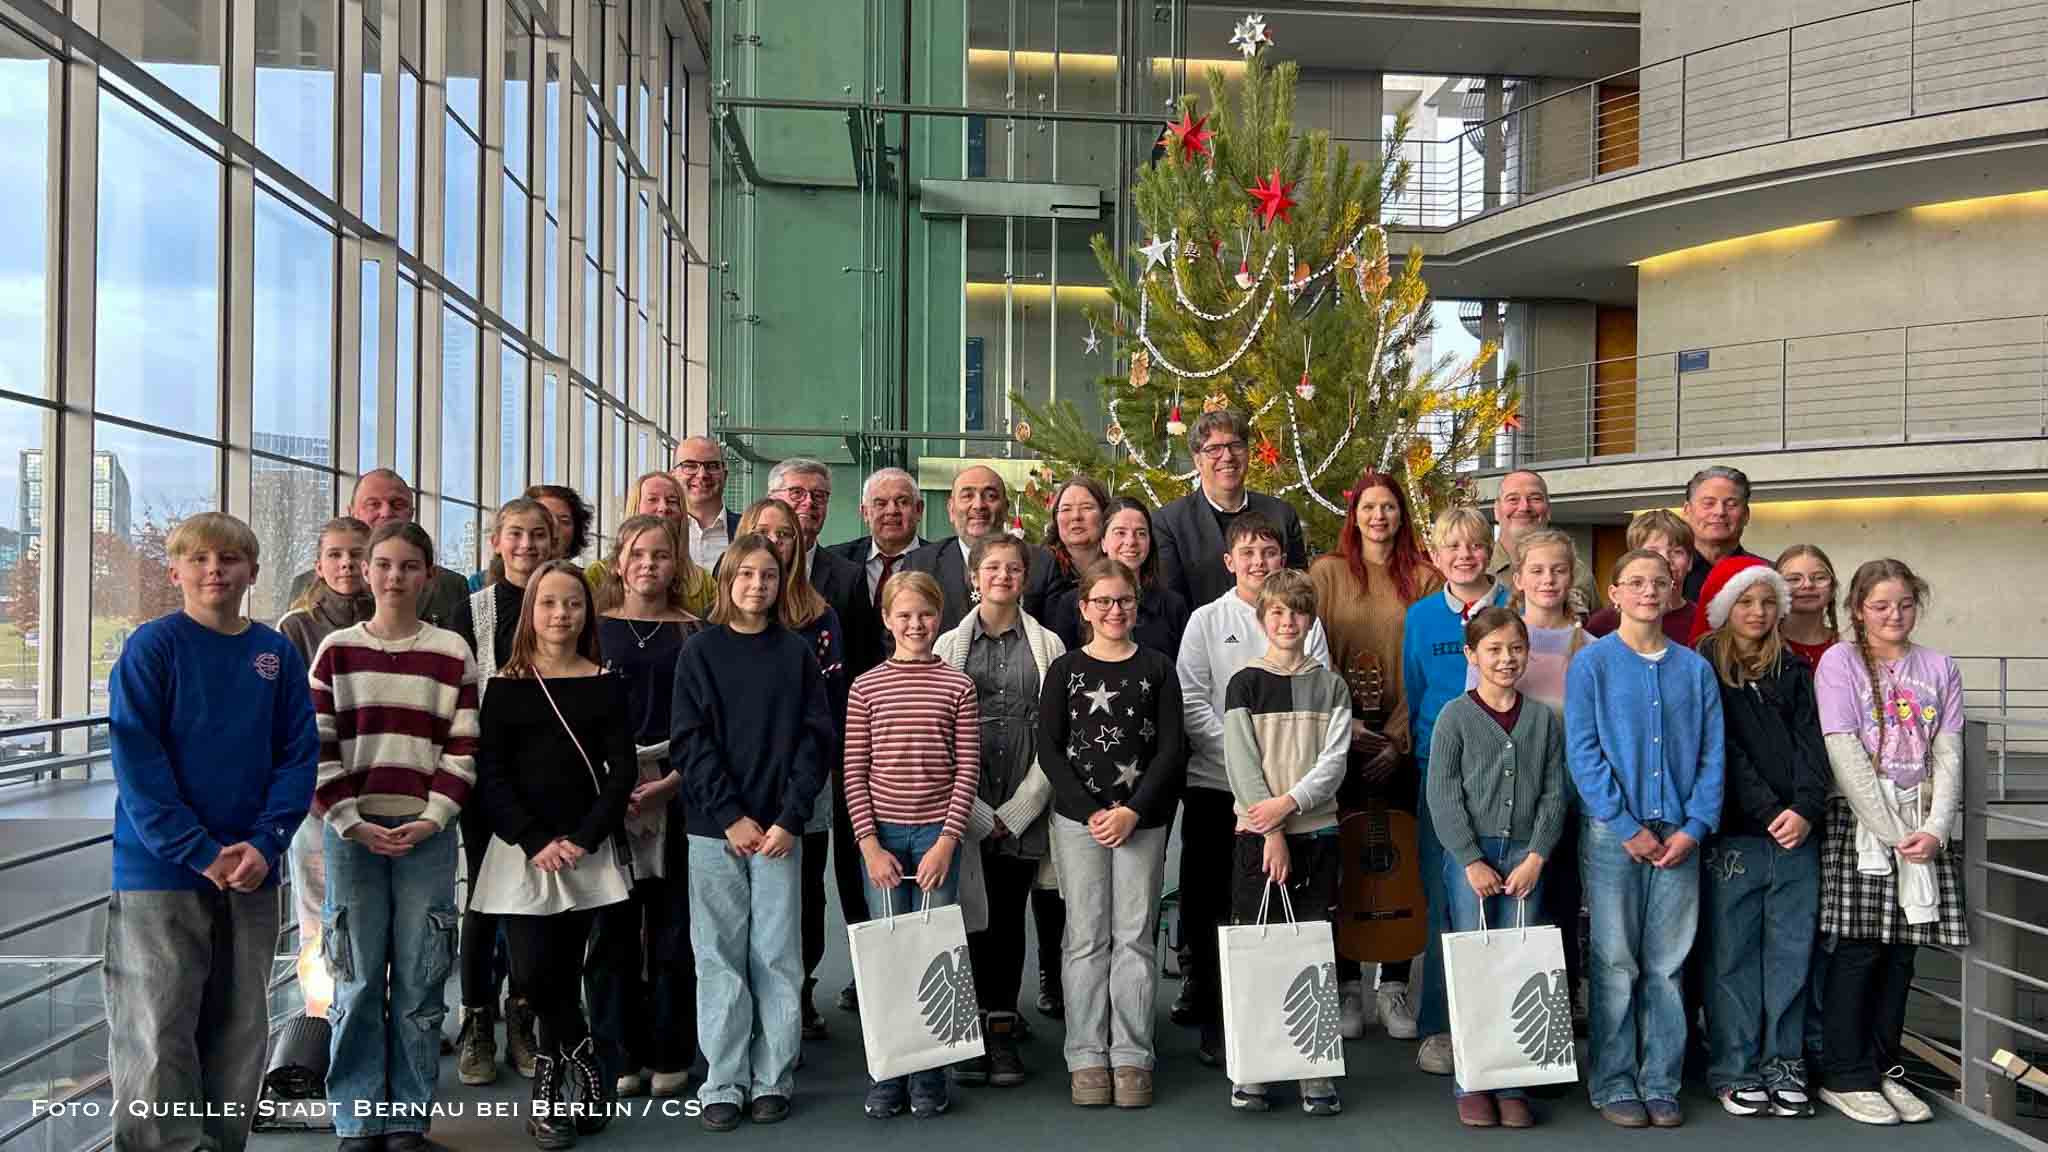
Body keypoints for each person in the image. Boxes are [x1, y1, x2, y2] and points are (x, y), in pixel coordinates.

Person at [105, 512, 318, 1152]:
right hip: (162, 873)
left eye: (228, 559)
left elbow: (298, 757)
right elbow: (138, 761)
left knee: (240, 1025)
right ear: (175, 573)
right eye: (198, 559)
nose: (214, 570)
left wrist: (267, 842)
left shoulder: (275, 654)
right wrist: (198, 851)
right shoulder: (153, 647)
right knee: (158, 1027)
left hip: (253, 870)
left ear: (253, 572)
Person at [310, 521, 481, 1152]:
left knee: (420, 977)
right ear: (366, 571)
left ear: (428, 576)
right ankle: (357, 1119)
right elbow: (316, 746)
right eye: (383, 564)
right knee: (355, 980)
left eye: (409, 566)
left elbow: (463, 746)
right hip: (351, 836)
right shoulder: (336, 652)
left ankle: (408, 1118)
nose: (394, 577)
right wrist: (349, 820)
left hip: (426, 835)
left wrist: (434, 817)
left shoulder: (451, 652)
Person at [470, 561, 636, 1149]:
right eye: (548, 603)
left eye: (572, 603)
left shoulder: (605, 682)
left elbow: (622, 772)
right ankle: (582, 1056)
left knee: (566, 970)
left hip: (584, 851)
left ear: (587, 612)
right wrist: (534, 839)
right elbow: (491, 775)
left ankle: (550, 1087)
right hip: (524, 852)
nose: (560, 614)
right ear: (530, 612)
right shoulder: (505, 687)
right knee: (534, 975)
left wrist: (584, 838)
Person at [671, 534, 834, 1132]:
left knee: (776, 955)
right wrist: (729, 815)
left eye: (768, 575)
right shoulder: (699, 652)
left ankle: (771, 1077)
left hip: (779, 832)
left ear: (780, 583)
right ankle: (724, 1079)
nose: (757, 585)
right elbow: (690, 741)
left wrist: (791, 817)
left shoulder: (796, 653)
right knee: (718, 956)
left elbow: (816, 739)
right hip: (715, 830)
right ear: (726, 580)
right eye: (745, 574)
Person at [1566, 549, 1724, 1129]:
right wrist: (1625, 825)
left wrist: (1695, 826)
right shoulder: (1592, 664)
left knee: (1669, 965)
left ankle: (1661, 1081)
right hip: (1615, 834)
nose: (1649, 591)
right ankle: (1613, 1081)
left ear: (1673, 589)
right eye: (1635, 582)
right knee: (1615, 962)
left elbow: (1712, 754)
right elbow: (1583, 752)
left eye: (1660, 582)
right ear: (1615, 593)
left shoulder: (1694, 669)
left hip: (1680, 834)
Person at [1812, 559, 1964, 1127]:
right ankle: (1845, 1075)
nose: (1894, 615)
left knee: (1902, 954)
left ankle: (1884, 1067)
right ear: (1858, 610)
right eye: (1880, 606)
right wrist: (1896, 834)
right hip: (1866, 825)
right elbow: (1844, 751)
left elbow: (1948, 753)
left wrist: (1935, 829)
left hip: (1920, 824)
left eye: (1903, 604)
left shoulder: (1940, 666)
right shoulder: (1839, 662)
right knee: (1858, 951)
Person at [1178, 514, 1331, 1067]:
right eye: (1248, 553)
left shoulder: (1307, 622)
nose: (1259, 562)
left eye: (1269, 552)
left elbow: (1319, 696)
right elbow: (1192, 699)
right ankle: (1218, 1020)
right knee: (1214, 907)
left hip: (1290, 795)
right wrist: (1246, 760)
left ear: (1282, 559)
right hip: (1217, 786)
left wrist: (1274, 778)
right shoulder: (1205, 620)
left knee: (1285, 908)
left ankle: (1283, 1027)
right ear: (1229, 562)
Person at [1038, 559, 1186, 1109]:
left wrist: (1132, 811)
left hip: (1142, 821)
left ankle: (1131, 1054)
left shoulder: (1158, 668)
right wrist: (1091, 812)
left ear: (1136, 605)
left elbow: (1171, 748)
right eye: (1102, 601)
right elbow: (1049, 748)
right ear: (1085, 608)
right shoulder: (1065, 669)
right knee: (1086, 936)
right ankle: (1085, 1053)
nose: (1114, 610)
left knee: (1134, 936)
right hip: (1079, 822)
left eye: (1123, 600)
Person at [1689, 556, 1829, 1119]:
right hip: (1739, 838)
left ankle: (1784, 1063)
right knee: (1732, 959)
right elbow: (1722, 749)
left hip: (1798, 837)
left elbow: (1815, 745)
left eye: (1769, 602)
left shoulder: (1794, 669)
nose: (1758, 611)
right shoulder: (1706, 667)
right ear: (1725, 608)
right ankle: (1735, 1067)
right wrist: (1771, 809)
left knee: (1792, 956)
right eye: (1745, 602)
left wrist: (1806, 809)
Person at [842, 570, 981, 1120]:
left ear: (939, 618)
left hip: (935, 838)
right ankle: (890, 1071)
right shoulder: (865, 687)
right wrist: (869, 845)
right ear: (886, 619)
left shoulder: (957, 686)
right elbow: (854, 771)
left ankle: (930, 1071)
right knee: (889, 955)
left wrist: (946, 842)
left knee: (934, 954)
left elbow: (966, 770)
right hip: (882, 839)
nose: (915, 624)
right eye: (903, 615)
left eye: (924, 614)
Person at [1309, 471, 1440, 1040]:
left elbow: (1430, 664)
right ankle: (1344, 985)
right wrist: (1349, 728)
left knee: (1399, 859)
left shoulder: (1426, 578)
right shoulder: (1326, 574)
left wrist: (1395, 736)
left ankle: (1392, 986)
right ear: (1354, 514)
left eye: (1389, 506)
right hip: (1340, 734)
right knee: (1342, 859)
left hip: (1402, 734)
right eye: (1369, 507)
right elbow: (1311, 653)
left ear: (1401, 514)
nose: (1378, 516)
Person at [934, 532, 1066, 1086]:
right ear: (974, 577)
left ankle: (1002, 1031)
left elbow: (1059, 733)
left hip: (1025, 798)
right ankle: (967, 1033)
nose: (1003, 577)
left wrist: (1020, 808)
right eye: (992, 567)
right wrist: (975, 812)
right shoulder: (946, 645)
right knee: (967, 920)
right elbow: (936, 735)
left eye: (1013, 568)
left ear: (1025, 578)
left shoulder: (1049, 644)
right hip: (963, 804)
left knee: (1009, 920)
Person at [1429, 606, 1569, 1129]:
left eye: (1515, 648)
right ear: (1472, 655)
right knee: (1476, 965)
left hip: (1526, 858)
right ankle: (1473, 1081)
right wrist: (1469, 859)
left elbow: (1554, 791)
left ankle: (1513, 1083)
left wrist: (1537, 856)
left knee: (1520, 966)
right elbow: (1443, 795)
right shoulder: (1454, 717)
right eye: (1493, 649)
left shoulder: (1542, 719)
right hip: (1474, 859)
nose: (1506, 659)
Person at [1221, 568, 1351, 1116]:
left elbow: (1334, 763)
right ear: (1261, 619)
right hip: (1258, 838)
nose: (1288, 621)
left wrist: (1290, 805)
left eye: (1298, 612)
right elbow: (1241, 765)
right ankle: (1255, 1069)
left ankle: (1313, 1069)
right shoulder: (1244, 683)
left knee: (1311, 951)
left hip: (1316, 832)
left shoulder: (1332, 686)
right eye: (1277, 612)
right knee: (1260, 951)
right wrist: (1271, 828)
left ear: (1311, 619)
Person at [586, 516, 706, 1101]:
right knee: (611, 929)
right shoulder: (593, 630)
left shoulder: (695, 632)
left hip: (677, 790)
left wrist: (670, 783)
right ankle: (617, 1051)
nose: (649, 565)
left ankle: (670, 1050)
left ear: (676, 564)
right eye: (637, 554)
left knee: (672, 929)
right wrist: (613, 786)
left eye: (660, 555)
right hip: (606, 790)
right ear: (618, 562)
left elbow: (707, 719)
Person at [1400, 505, 1509, 1075]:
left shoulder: (1514, 605)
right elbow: (1414, 690)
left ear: (1489, 550)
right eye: (1453, 547)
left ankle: (1503, 1027)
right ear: (1436, 555)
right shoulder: (1420, 617)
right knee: (1444, 899)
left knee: (1508, 898)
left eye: (1475, 545)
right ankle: (1439, 1025)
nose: (1465, 556)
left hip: (1507, 773)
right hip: (1440, 773)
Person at [736, 495, 850, 1039]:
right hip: (739, 782)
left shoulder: (819, 616)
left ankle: (796, 996)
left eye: (786, 535)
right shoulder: (719, 618)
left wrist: (810, 777)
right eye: (765, 531)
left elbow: (831, 706)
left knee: (804, 892)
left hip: (805, 779)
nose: (776, 542)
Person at [454, 496, 558, 1083]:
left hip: (546, 778)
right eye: (515, 533)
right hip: (485, 778)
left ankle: (523, 1016)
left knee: (533, 903)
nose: (527, 545)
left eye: (538, 534)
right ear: (496, 541)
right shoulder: (472, 611)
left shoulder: (564, 601)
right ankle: (477, 1019)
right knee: (483, 900)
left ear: (553, 541)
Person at [827, 467, 925, 1013]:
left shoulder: (940, 563)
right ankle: (866, 965)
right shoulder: (836, 564)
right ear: (864, 512)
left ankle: (920, 976)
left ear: (919, 511)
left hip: (919, 729)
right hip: (853, 723)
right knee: (854, 852)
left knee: (923, 862)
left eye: (903, 502)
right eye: (881, 503)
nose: (892, 511)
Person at [1028, 473, 1113, 1023]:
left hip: (1119, 741)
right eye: (1065, 510)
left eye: (1086, 508)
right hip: (1061, 734)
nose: (1075, 518)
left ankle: (1106, 976)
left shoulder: (1126, 572)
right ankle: (1052, 971)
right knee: (1052, 869)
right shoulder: (1042, 574)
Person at [277, 515, 373, 994]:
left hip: (378, 787)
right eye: (335, 555)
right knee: (318, 913)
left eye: (357, 554)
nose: (347, 564)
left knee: (373, 910)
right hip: (316, 792)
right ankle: (321, 1010)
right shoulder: (296, 627)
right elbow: (287, 714)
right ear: (318, 566)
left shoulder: (393, 619)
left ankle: (372, 1005)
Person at [1154, 409, 1307, 608]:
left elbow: (1298, 596)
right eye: (1213, 449)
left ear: (1248, 454)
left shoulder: (1282, 515)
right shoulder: (1169, 523)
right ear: (1198, 461)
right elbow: (1171, 606)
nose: (1227, 456)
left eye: (1235, 446)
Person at [289, 469, 469, 629]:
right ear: (352, 512)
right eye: (373, 504)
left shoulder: (450, 586)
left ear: (411, 513)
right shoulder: (306, 585)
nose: (386, 513)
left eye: (398, 504)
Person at [905, 465, 1058, 630]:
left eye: (990, 496)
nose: (978, 505)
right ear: (951, 510)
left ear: (1006, 509)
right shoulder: (920, 564)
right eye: (967, 496)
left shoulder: (1041, 563)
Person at [1048, 496, 1191, 660]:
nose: (1131, 541)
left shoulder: (1173, 606)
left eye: (1141, 533)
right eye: (1120, 533)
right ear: (1103, 542)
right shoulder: (1072, 604)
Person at [582, 472, 717, 616]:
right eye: (652, 499)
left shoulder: (704, 583)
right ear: (635, 507)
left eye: (672, 501)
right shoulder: (596, 575)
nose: (663, 507)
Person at [1488, 470, 1595, 617]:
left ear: (1548, 510)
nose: (1524, 507)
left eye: (1535, 499)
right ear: (1496, 510)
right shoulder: (1478, 567)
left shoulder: (1577, 570)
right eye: (1513, 499)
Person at [1585, 510, 1696, 644]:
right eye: (1652, 552)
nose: (1666, 559)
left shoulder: (1702, 621)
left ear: (1690, 562)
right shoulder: (1603, 624)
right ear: (1632, 559)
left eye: (1676, 552)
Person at [1681, 466, 1761, 604]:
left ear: (1746, 515)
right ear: (1687, 511)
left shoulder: (1765, 573)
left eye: (1731, 504)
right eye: (1708, 503)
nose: (1720, 512)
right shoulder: (1669, 574)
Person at [673, 436, 741, 569]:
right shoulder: (664, 531)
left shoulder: (747, 530)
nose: (702, 474)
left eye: (712, 466)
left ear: (725, 475)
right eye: (690, 466)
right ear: (673, 475)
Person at [1776, 544, 1841, 668]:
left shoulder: (1848, 651)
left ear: (1832, 588)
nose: (1808, 585)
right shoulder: (1762, 649)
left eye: (1819, 578)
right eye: (1794, 579)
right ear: (1776, 588)